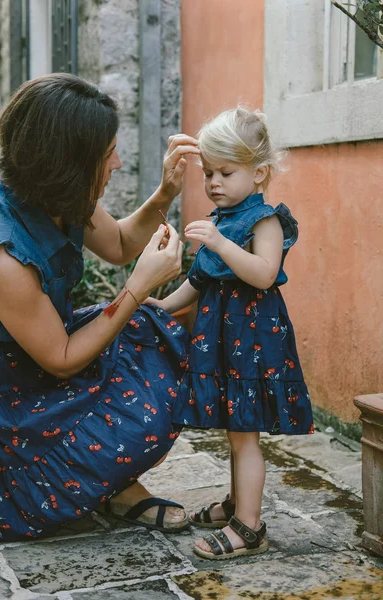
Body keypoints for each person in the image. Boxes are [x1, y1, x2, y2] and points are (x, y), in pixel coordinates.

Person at [0, 73, 200, 542]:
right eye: (107, 155)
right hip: (8, 397)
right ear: (67, 164)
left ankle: (108, 480)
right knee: (142, 329)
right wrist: (139, 287)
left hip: (46, 359)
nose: (117, 163)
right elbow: (61, 359)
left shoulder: (62, 199)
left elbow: (121, 243)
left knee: (155, 332)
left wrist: (166, 192)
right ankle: (101, 481)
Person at [146, 106, 314, 559]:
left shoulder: (265, 221)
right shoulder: (221, 219)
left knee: (245, 434)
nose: (214, 182)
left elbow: (264, 273)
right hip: (221, 342)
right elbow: (201, 279)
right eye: (209, 173)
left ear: (259, 173)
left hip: (254, 343)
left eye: (226, 172)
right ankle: (238, 503)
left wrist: (220, 243)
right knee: (233, 429)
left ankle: (250, 526)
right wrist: (164, 303)